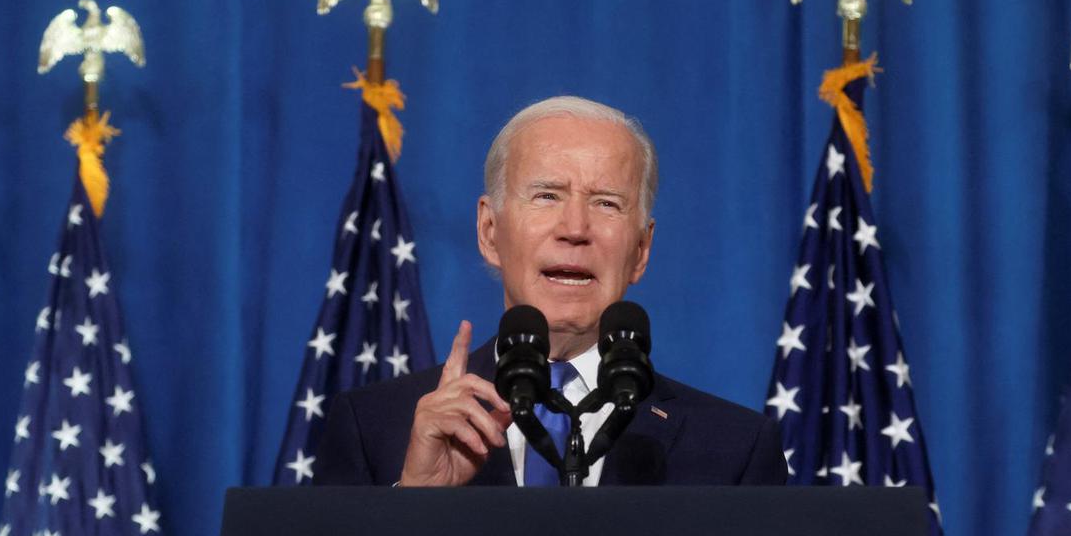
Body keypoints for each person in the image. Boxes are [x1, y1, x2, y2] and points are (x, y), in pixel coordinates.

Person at [317, 95, 786, 486]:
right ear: (488, 231)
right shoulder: (373, 428)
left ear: (641, 250)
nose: (575, 228)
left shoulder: (735, 451)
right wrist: (416, 504)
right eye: (547, 196)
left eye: (606, 203)